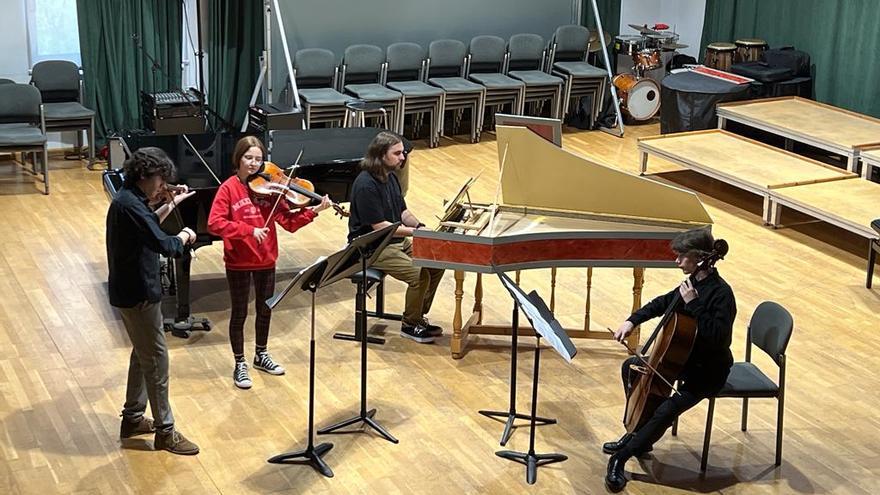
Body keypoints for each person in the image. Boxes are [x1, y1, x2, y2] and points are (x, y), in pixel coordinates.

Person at [604, 227, 736, 492]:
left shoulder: (721, 294)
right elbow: (661, 303)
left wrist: (695, 304)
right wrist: (632, 320)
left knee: (665, 409)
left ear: (699, 258)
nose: (677, 261)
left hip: (707, 372)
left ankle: (622, 457)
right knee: (631, 368)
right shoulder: (692, 283)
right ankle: (639, 436)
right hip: (682, 361)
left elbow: (719, 338)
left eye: (681, 257)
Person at [208, 136, 331, 390]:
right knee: (240, 312)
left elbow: (289, 222)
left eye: (258, 159)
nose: (253, 164)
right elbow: (214, 223)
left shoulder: (269, 188)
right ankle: (240, 362)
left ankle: (261, 354)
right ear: (238, 159)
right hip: (239, 261)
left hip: (266, 259)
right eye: (248, 158)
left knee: (266, 309)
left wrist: (315, 211)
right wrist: (248, 231)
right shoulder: (228, 189)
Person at [106, 147, 200, 455]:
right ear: (146, 175)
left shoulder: (130, 200)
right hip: (138, 294)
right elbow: (165, 244)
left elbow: (148, 229)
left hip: (131, 292)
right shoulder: (130, 205)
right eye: (161, 180)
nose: (164, 187)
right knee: (157, 361)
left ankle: (133, 418)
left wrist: (174, 203)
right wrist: (185, 235)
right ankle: (165, 432)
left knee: (142, 353)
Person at [347, 131, 445, 344]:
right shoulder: (365, 185)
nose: (403, 157)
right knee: (419, 275)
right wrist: (414, 233)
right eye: (398, 153)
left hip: (395, 241)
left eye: (403, 153)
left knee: (437, 264)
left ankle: (417, 316)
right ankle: (410, 325)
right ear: (381, 154)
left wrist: (419, 226)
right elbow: (380, 227)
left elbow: (403, 212)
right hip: (372, 247)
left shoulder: (390, 177)